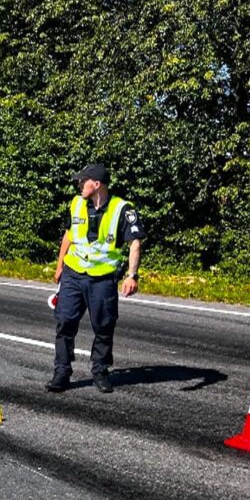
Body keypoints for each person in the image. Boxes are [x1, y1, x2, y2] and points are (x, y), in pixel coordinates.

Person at [46, 164, 145, 393]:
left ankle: (100, 370)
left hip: (102, 277)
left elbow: (135, 242)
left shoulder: (122, 209)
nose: (80, 185)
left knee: (104, 325)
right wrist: (60, 265)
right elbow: (69, 235)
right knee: (65, 321)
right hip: (73, 273)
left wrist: (132, 275)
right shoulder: (76, 203)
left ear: (96, 184)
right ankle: (61, 371)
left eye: (83, 181)